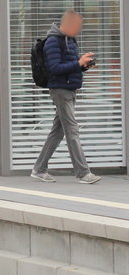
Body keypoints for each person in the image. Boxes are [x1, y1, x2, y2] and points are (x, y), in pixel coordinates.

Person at [31, 10, 100, 184]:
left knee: (58, 131)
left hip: (70, 89)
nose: (78, 28)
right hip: (60, 90)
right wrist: (78, 63)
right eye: (76, 25)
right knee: (72, 130)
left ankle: (39, 169)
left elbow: (70, 66)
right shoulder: (53, 41)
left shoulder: (70, 40)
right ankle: (83, 173)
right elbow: (55, 68)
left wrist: (83, 66)